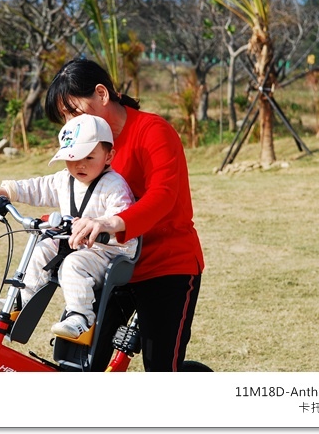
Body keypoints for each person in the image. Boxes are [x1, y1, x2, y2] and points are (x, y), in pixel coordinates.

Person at [44, 58, 205, 371]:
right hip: (112, 263)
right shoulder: (89, 146)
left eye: (73, 111)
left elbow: (163, 197)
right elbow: (76, 195)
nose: (68, 124)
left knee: (160, 369)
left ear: (102, 94)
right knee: (77, 361)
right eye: (63, 117)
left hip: (166, 265)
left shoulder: (153, 131)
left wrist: (110, 222)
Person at [0, 113, 138, 339]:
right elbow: (37, 187)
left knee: (72, 264)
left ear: (109, 155)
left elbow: (122, 217)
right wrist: (6, 191)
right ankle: (21, 299)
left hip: (107, 253)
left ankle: (80, 317)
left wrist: (102, 227)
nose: (80, 165)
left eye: (89, 158)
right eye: (72, 158)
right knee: (42, 248)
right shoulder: (65, 180)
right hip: (71, 244)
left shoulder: (114, 185)